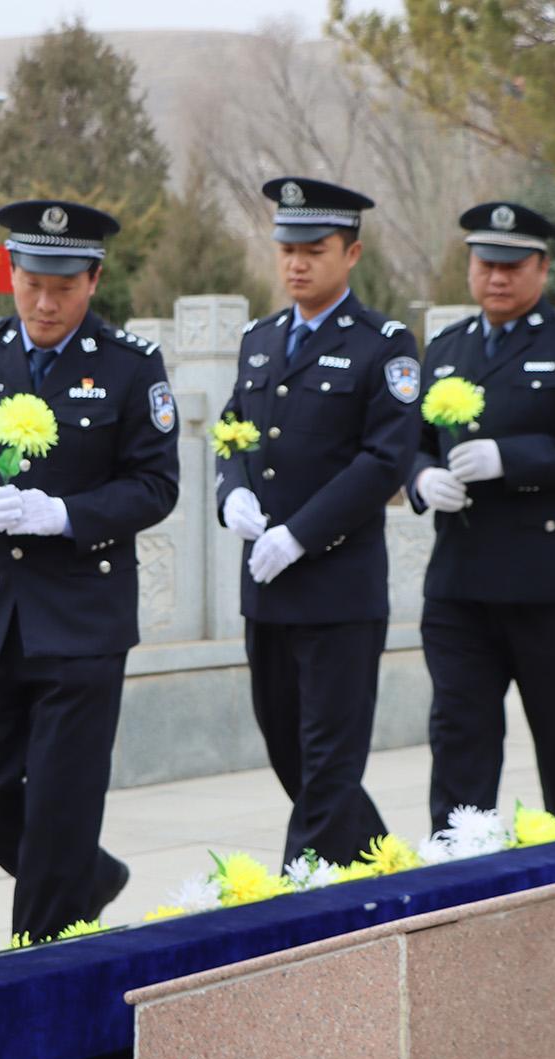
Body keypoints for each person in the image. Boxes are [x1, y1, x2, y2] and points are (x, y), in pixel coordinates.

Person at [0, 199, 180, 940]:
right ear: (10, 273)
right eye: (32, 283)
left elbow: (155, 485)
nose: (44, 302)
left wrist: (66, 515)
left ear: (93, 280)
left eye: (63, 287)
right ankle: (86, 878)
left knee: (65, 802)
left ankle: (37, 955)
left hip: (83, 616)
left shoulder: (130, 365)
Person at [407, 201, 555, 833]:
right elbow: (412, 441)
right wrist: (420, 478)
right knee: (458, 735)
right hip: (460, 581)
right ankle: (459, 861)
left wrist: (510, 458)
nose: (497, 277)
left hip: (549, 581)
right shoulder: (447, 347)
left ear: (542, 268)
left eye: (512, 265)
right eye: (486, 264)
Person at [214, 176, 419, 865]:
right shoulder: (261, 339)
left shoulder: (384, 345)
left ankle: (295, 896)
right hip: (267, 588)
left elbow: (385, 461)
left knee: (329, 761)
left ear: (351, 254)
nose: (297, 263)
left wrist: (300, 533)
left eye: (314, 250)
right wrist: (231, 492)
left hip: (338, 591)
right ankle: (383, 867)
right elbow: (232, 431)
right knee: (291, 753)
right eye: (288, 249)